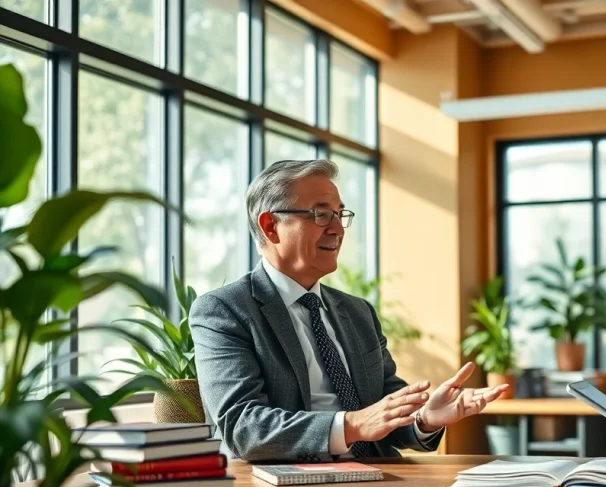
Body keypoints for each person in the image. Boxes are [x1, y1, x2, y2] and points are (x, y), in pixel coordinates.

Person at [191, 160, 508, 462]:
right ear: (271, 226)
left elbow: (385, 408)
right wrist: (352, 426)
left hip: (379, 473)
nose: (338, 230)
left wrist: (424, 418)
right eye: (320, 214)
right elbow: (243, 427)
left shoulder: (357, 312)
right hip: (286, 483)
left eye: (340, 215)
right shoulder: (223, 311)